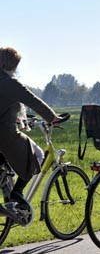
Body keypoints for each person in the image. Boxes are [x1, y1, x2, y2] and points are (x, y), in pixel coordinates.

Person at [0, 47, 62, 214]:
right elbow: (32, 100)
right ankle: (17, 193)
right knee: (39, 155)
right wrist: (52, 117)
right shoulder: (10, 83)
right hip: (4, 134)